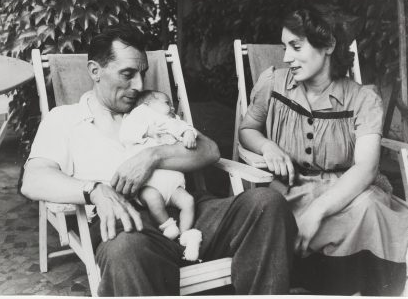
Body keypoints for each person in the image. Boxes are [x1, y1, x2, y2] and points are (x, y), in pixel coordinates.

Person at [21, 23, 297, 296]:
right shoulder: (65, 119)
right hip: (129, 224)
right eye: (128, 74)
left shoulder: (150, 109)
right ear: (95, 71)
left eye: (142, 74)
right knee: (124, 250)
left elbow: (209, 150)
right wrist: (94, 190)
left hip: (190, 210)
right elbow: (34, 179)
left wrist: (152, 156)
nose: (139, 85)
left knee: (267, 202)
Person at [239, 5, 408, 296]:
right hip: (292, 190)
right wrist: (267, 145)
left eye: (295, 46)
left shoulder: (362, 99)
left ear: (329, 45)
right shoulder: (273, 83)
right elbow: (247, 131)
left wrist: (318, 210)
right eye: (285, 47)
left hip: (346, 189)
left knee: (373, 211)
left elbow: (366, 168)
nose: (285, 57)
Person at [120, 90, 201, 260]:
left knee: (188, 201)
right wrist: (146, 130)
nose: (172, 106)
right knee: (152, 198)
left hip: (173, 184)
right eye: (166, 102)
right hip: (150, 183)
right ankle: (167, 225)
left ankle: (185, 235)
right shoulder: (139, 115)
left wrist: (188, 133)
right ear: (147, 105)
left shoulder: (173, 121)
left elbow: (186, 127)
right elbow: (125, 133)